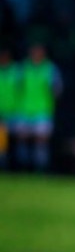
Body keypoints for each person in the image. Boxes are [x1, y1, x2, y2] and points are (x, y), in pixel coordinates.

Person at [15, 43, 63, 172]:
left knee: (41, 141)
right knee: (22, 139)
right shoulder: (23, 67)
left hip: (43, 110)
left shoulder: (50, 68)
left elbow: (57, 89)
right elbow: (17, 87)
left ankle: (40, 168)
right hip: (24, 109)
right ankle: (21, 166)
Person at [0, 47, 21, 170]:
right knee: (2, 140)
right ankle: (4, 164)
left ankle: (19, 166)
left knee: (18, 140)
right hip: (1, 111)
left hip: (16, 111)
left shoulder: (17, 72)